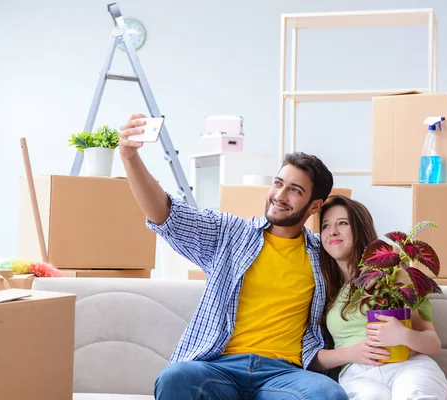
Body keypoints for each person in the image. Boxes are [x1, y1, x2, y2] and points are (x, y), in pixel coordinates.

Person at [118, 114, 349, 400]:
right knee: (176, 377)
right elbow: (166, 214)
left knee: (328, 395)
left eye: (294, 190)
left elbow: (368, 270)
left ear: (315, 206)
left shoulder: (323, 256)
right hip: (218, 368)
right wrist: (129, 158)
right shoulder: (231, 233)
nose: (280, 195)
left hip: (284, 375)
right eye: (278, 183)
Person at [309, 195, 447, 400]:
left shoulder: (391, 277)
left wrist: (402, 335)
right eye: (325, 226)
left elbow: (433, 343)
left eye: (343, 223)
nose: (332, 232)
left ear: (360, 229)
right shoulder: (324, 287)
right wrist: (352, 353)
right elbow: (309, 358)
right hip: (358, 376)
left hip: (408, 366)